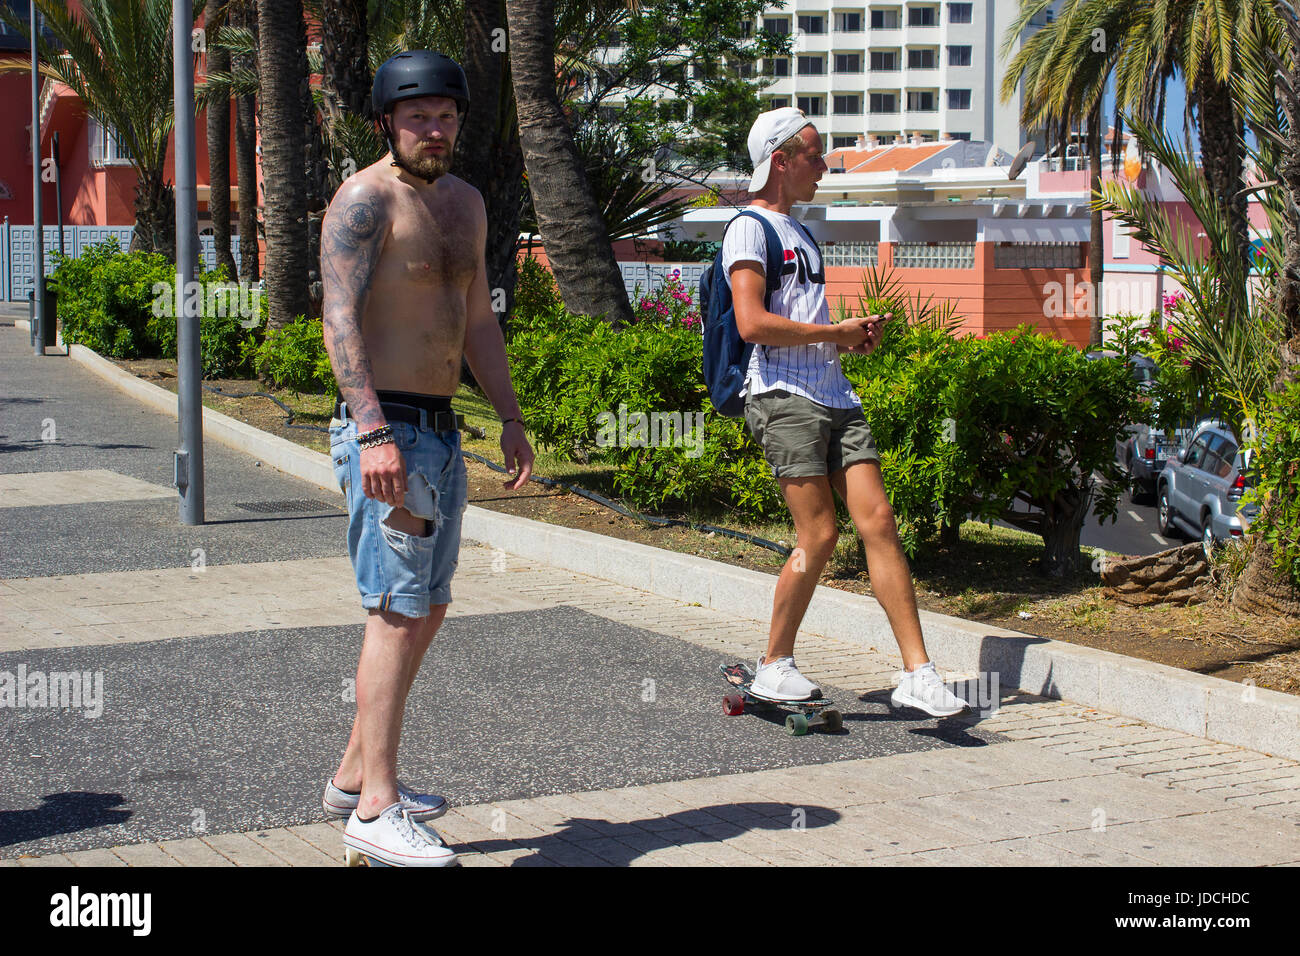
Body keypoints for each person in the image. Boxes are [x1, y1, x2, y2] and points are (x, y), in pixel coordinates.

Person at [320, 50, 535, 866]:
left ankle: (351, 777)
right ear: (388, 122)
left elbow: (477, 319)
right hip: (388, 435)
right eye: (418, 116)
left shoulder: (467, 205)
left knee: (428, 606)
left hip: (441, 433)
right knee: (396, 610)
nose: (434, 128)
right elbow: (339, 320)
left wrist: (509, 417)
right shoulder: (364, 201)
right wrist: (371, 430)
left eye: (445, 115)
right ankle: (375, 810)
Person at [723, 107, 967, 717]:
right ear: (781, 161)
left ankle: (918, 673)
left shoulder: (800, 231)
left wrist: (846, 338)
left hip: (834, 393)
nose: (824, 164)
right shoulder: (749, 229)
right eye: (814, 153)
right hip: (783, 396)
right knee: (820, 533)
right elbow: (752, 324)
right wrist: (834, 331)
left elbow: (804, 321)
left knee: (879, 520)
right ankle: (774, 665)